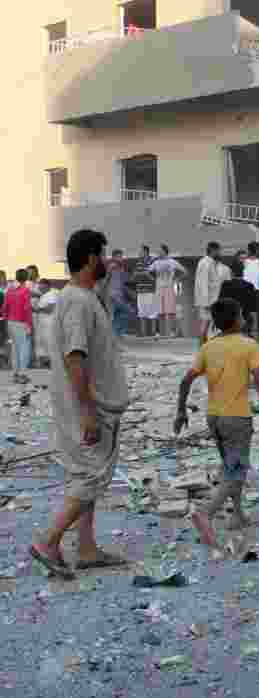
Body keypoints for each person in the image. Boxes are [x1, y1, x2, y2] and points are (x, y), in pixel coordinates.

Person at [29, 229, 132, 579]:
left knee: (88, 476)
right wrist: (88, 411)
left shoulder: (83, 298)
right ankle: (48, 540)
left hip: (91, 405)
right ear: (90, 258)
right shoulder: (76, 301)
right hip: (87, 408)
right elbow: (76, 357)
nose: (105, 261)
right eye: (102, 255)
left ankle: (86, 548)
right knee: (90, 475)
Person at [174, 299, 259, 548]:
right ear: (237, 319)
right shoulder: (249, 346)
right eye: (242, 314)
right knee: (236, 472)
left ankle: (238, 513)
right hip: (237, 419)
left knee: (230, 467)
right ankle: (206, 513)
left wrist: (180, 411)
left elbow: (185, 380)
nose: (244, 317)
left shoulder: (208, 347)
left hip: (214, 418)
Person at [147, 244, 187, 339]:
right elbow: (147, 271)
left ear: (165, 251)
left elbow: (185, 271)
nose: (158, 252)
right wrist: (153, 279)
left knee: (171, 310)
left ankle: (173, 332)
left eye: (160, 251)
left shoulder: (172, 261)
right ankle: (158, 333)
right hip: (159, 288)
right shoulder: (156, 262)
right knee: (158, 310)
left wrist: (177, 279)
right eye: (158, 251)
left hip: (169, 287)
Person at [3, 269, 33, 384]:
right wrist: (29, 324)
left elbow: (4, 307)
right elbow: (27, 309)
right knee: (24, 349)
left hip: (10, 322)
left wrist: (6, 321)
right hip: (21, 322)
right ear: (25, 278)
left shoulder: (9, 290)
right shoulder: (25, 290)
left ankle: (15, 373)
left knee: (15, 349)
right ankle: (22, 374)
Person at [194, 241, 222, 347]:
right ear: (213, 250)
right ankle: (202, 347)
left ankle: (204, 347)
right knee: (205, 324)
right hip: (208, 300)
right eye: (219, 250)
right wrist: (207, 302)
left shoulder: (208, 262)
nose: (220, 253)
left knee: (207, 325)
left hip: (210, 299)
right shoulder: (206, 263)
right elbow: (203, 282)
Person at [218, 260, 259, 332]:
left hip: (228, 322)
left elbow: (220, 305)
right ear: (243, 271)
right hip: (245, 320)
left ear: (232, 272)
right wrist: (255, 327)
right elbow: (253, 308)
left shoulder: (225, 285)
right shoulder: (249, 286)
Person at [105, 250, 134, 339]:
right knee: (127, 311)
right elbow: (105, 280)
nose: (121, 258)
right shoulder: (111, 266)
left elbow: (122, 283)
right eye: (119, 256)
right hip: (112, 295)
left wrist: (129, 292)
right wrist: (109, 271)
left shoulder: (121, 268)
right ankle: (117, 332)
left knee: (118, 314)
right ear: (114, 257)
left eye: (121, 256)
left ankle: (116, 334)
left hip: (119, 295)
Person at [132, 245, 159, 338]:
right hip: (140, 290)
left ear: (146, 252)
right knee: (141, 312)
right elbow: (134, 276)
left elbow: (156, 277)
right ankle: (142, 332)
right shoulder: (138, 263)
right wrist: (138, 274)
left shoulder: (153, 262)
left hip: (150, 290)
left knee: (152, 312)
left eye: (141, 251)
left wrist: (146, 275)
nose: (139, 253)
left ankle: (153, 332)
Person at [32, 279, 59, 367]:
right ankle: (46, 363)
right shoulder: (43, 296)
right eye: (39, 286)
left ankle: (54, 363)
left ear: (47, 286)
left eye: (42, 285)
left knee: (50, 343)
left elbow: (51, 308)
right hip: (43, 324)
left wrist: (37, 309)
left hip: (49, 324)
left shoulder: (51, 294)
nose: (40, 287)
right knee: (43, 344)